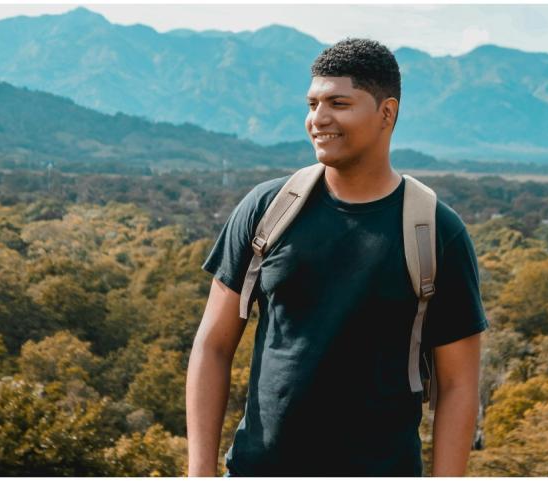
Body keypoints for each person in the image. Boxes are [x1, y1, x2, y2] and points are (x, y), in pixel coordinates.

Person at [186, 38, 488, 477]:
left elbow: (459, 384)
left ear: (387, 113)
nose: (318, 119)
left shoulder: (436, 231)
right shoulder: (267, 210)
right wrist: (199, 471)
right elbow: (213, 345)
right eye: (312, 103)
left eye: (339, 103)